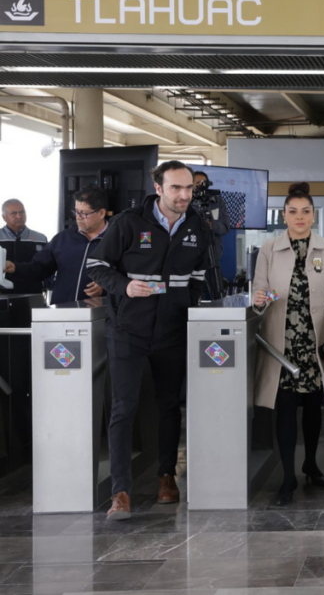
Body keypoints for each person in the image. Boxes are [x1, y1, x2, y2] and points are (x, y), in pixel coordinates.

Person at [86, 161, 213, 520]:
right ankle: (121, 491)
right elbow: (97, 266)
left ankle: (166, 475)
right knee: (124, 408)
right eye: (175, 188)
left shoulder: (196, 226)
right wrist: (123, 286)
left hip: (172, 331)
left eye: (188, 188)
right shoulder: (128, 222)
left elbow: (199, 276)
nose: (184, 195)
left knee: (169, 405)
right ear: (158, 188)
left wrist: (188, 310)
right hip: (128, 330)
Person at [251, 182, 324, 505]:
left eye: (306, 212)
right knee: (287, 408)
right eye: (293, 212)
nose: (299, 217)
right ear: (284, 215)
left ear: (313, 215)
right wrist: (259, 300)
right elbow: (258, 295)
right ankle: (288, 477)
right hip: (282, 344)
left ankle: (311, 463)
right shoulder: (269, 249)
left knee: (313, 408)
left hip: (315, 343)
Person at [4, 187, 107, 305]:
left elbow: (127, 280)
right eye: (76, 211)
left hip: (102, 314)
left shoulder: (117, 240)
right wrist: (14, 268)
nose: (78, 217)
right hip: (62, 311)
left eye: (83, 213)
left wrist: (106, 287)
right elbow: (39, 268)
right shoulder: (62, 239)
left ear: (101, 213)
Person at [191, 171, 231, 299]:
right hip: (191, 252)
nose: (200, 185)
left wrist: (212, 225)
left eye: (203, 183)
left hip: (213, 252)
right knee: (191, 289)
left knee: (217, 289)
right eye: (197, 183)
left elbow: (225, 227)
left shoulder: (217, 201)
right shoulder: (186, 201)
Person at [0, 199, 48, 295]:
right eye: (13, 213)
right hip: (3, 294)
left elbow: (47, 266)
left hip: (33, 294)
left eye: (22, 212)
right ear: (4, 217)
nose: (19, 216)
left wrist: (46, 284)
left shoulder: (41, 238)